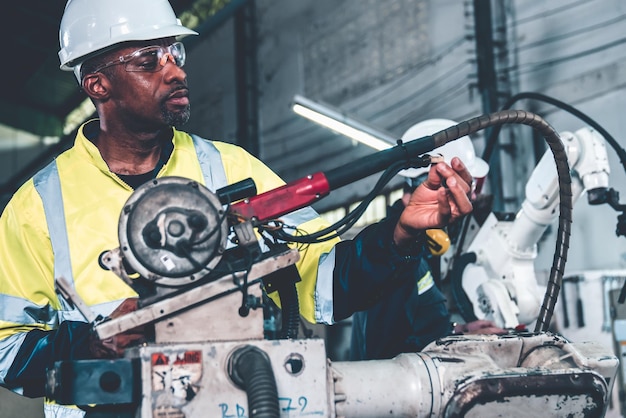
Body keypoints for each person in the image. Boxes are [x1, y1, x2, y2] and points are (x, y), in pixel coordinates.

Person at [0, 2, 474, 416]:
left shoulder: (229, 168)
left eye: (176, 53)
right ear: (97, 84)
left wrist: (401, 233)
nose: (177, 71)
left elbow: (324, 281)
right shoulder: (38, 206)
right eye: (150, 60)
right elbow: (6, 351)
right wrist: (90, 346)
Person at [350, 119, 505, 361]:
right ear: (432, 185)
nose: (464, 209)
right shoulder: (393, 258)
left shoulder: (414, 251)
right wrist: (455, 344)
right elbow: (386, 354)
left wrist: (456, 331)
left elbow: (416, 326)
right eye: (460, 193)